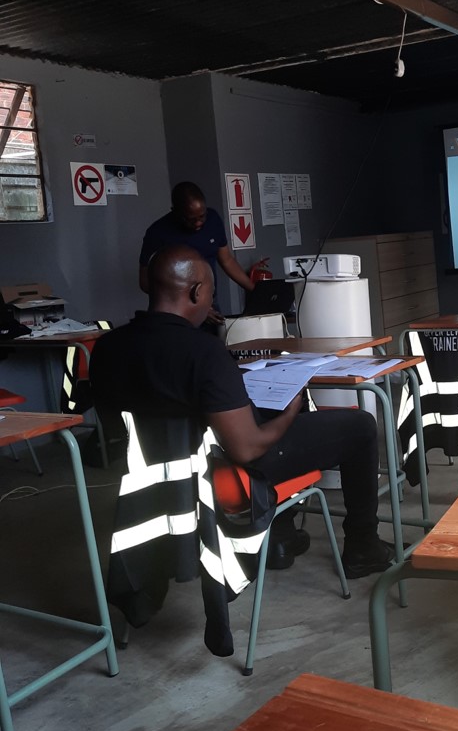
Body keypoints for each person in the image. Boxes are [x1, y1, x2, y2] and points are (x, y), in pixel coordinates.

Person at [92, 244, 393, 579]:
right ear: (196, 291)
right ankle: (363, 547)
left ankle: (279, 537)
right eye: (211, 293)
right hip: (220, 479)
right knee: (360, 426)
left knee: (266, 412)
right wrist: (291, 409)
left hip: (149, 479)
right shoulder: (204, 352)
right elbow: (246, 449)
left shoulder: (106, 348)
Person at [139, 181, 254, 321]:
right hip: (174, 311)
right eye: (191, 219)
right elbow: (145, 282)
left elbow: (227, 261)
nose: (198, 223)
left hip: (209, 303)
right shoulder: (157, 233)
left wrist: (254, 290)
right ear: (175, 211)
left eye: (202, 216)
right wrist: (193, 306)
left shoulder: (213, 220)